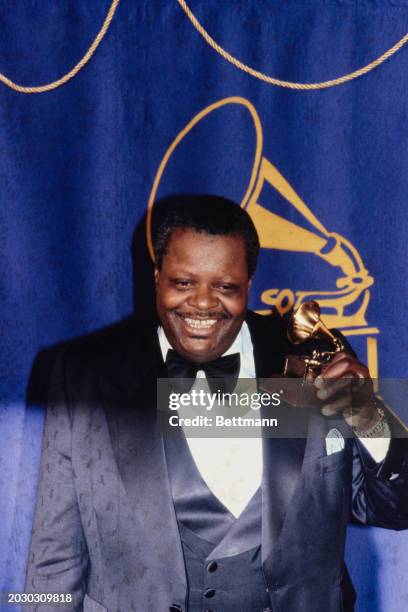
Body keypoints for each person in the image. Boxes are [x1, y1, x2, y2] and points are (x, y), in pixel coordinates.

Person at [25, 195, 408, 612]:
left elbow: (396, 509)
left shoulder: (318, 357)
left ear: (249, 285)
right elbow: (53, 564)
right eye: (183, 283)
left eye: (225, 287)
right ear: (157, 276)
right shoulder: (83, 375)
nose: (203, 304)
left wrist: (369, 417)